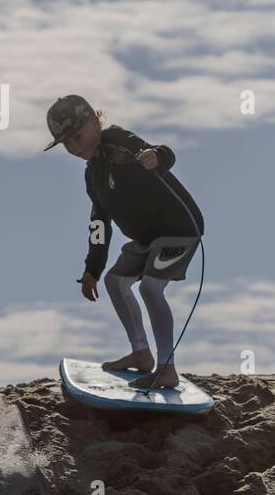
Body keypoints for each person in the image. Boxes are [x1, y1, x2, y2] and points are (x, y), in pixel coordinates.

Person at [43, 95, 205, 389]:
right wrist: (92, 268)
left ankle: (166, 367)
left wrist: (157, 157)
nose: (74, 146)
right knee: (115, 281)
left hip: (179, 231)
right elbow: (99, 221)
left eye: (77, 136)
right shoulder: (92, 174)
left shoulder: (118, 140)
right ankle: (141, 354)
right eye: (66, 143)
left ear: (95, 123)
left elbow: (162, 152)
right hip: (146, 239)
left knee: (150, 287)